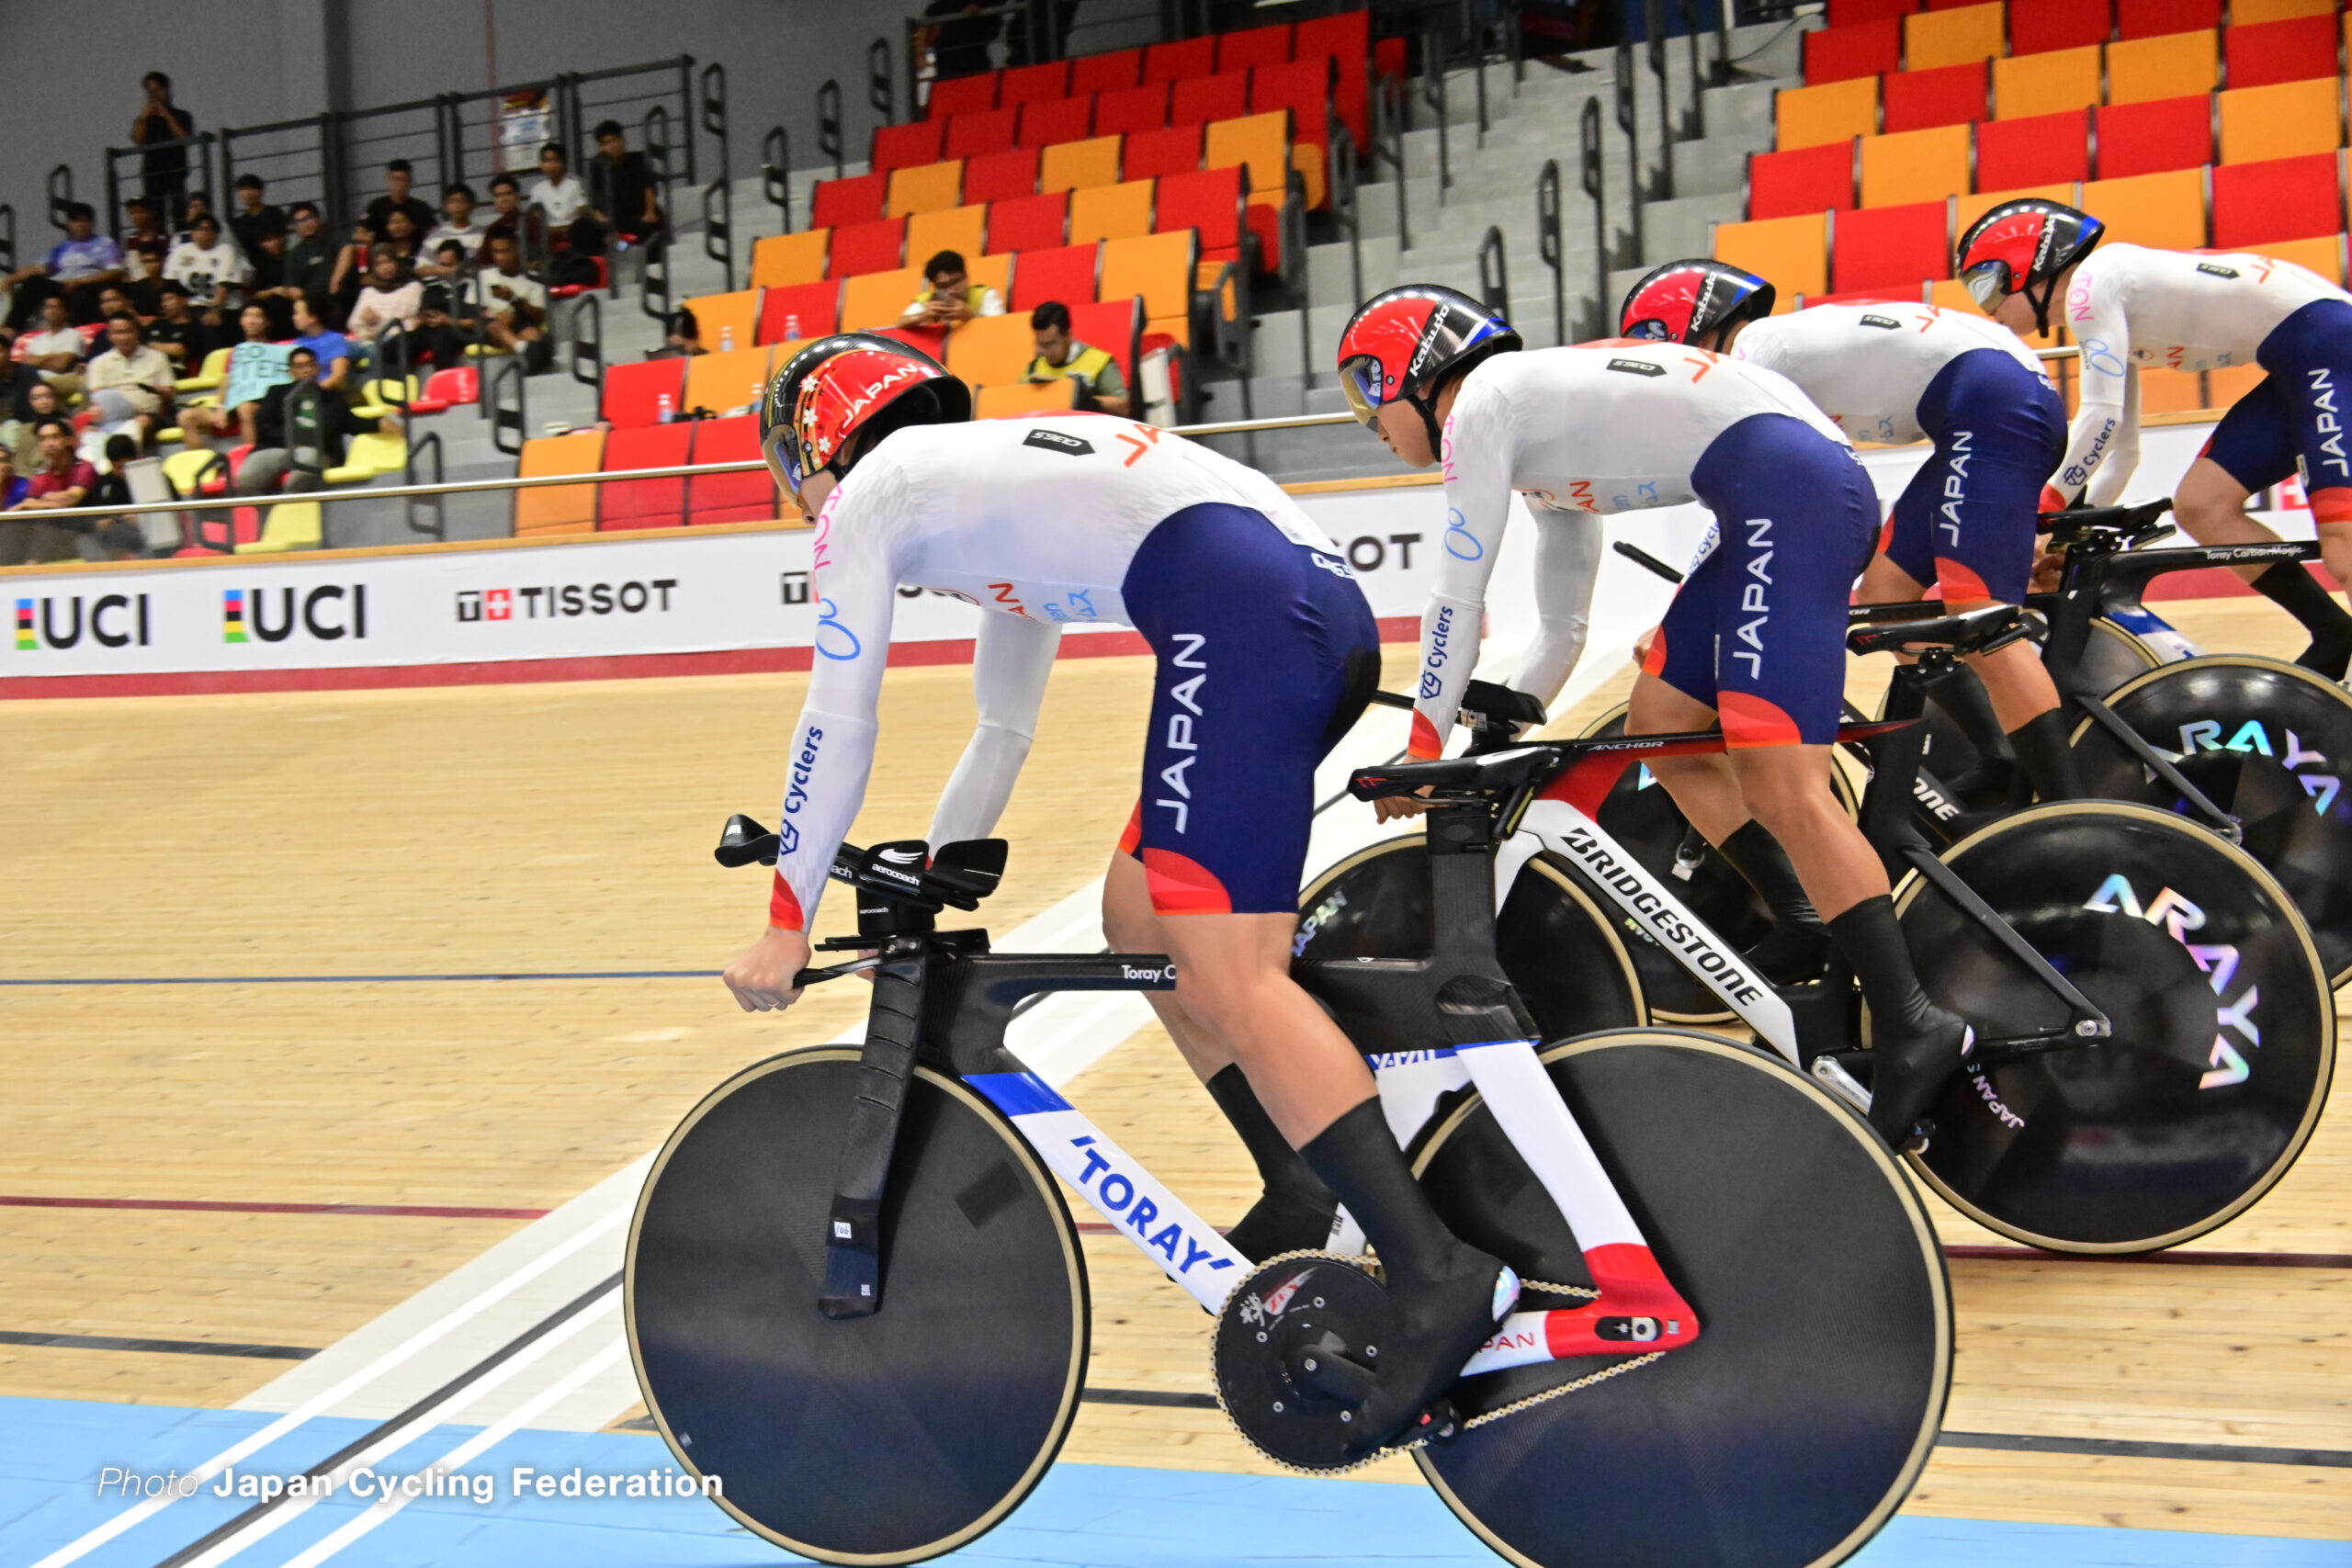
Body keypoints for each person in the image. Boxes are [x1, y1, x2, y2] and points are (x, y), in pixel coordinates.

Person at [720, 332, 1510, 1455]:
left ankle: (1437, 1273)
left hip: (1240, 617)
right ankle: (1297, 1179)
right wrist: (947, 862)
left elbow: (837, 716)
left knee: (1230, 972)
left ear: (811, 445)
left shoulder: (873, 498)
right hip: (1295, 607)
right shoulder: (975, 484)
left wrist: (786, 918)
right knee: (1137, 918)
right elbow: (1003, 722)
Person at [1339, 284, 1971, 1147]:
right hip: (1775, 497)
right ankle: (1803, 921)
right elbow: (1563, 622)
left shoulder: (1484, 402)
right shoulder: (1533, 436)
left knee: (1784, 783)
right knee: (1663, 722)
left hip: (1790, 497)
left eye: (1363, 390)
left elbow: (1459, 589)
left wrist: (1422, 739)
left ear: (1410, 370)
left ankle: (1913, 1020)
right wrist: (1514, 709)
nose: (1367, 420)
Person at [1621, 260, 2082, 809]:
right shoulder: (1771, 352)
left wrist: (1679, 610)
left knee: (1979, 611)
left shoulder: (1749, 359)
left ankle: (2070, 808)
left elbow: (1746, 511)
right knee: (1887, 596)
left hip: (1991, 398)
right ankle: (2001, 760)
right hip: (1992, 396)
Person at [1957, 198, 2352, 680]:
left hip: (2330, 346)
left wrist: (2038, 512)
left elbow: (2098, 418)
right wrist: (2066, 532)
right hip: (2305, 357)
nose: (1987, 308)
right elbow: (2123, 450)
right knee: (2202, 506)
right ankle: (2333, 632)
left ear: (2029, 268)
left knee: (2344, 545)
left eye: (1985, 285)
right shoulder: (2103, 306)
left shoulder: (2092, 285)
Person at [235, 344, 399, 498]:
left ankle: (287, 515)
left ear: (318, 368)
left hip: (318, 452)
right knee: (247, 477)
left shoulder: (334, 399)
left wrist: (380, 422)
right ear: (291, 372)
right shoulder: (277, 393)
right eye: (299, 367)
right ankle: (260, 522)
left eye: (310, 365)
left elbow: (354, 423)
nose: (306, 370)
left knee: (305, 465)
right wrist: (294, 440)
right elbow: (264, 426)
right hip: (276, 448)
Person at [176, 303, 290, 445]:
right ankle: (201, 463)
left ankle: (249, 458)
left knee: (245, 408)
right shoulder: (236, 353)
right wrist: (221, 407)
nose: (251, 320)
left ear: (267, 323)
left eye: (257, 316)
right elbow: (227, 380)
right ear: (241, 321)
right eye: (247, 316)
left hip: (261, 404)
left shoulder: (280, 350)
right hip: (233, 404)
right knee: (186, 417)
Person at [5, 204, 128, 328]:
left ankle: (81, 331)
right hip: (62, 284)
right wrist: (12, 279)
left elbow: (115, 272)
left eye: (85, 221)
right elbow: (41, 268)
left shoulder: (105, 243)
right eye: (76, 221)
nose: (81, 225)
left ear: (92, 223)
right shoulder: (62, 248)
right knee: (33, 283)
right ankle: (10, 331)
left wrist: (78, 282)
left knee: (81, 295)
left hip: (88, 284)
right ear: (69, 224)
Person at [5, 417, 103, 565]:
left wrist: (35, 502)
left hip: (84, 532)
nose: (50, 443)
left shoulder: (84, 468)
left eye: (55, 437)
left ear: (68, 440)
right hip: (51, 536)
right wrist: (47, 501)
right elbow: (32, 503)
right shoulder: (40, 476)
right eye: (44, 439)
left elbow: (71, 500)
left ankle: (32, 564)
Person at [83, 313, 177, 446]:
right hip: (110, 418)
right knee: (85, 431)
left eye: (128, 331)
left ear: (137, 332)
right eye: (117, 333)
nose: (123, 337)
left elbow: (171, 394)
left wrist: (164, 393)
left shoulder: (158, 357)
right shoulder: (98, 362)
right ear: (109, 336)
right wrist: (128, 408)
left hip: (147, 415)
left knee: (139, 423)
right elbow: (98, 398)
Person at [1025, 301, 1130, 415]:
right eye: (1041, 345)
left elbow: (1124, 406)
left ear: (1068, 335)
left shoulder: (1099, 362)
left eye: (1051, 344)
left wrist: (1092, 402)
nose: (1045, 352)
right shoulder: (1033, 368)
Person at [468, 232, 550, 368]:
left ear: (516, 249)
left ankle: (531, 369)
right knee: (494, 325)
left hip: (521, 320)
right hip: (489, 326)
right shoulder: (483, 276)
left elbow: (539, 318)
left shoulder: (534, 279)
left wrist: (513, 299)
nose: (500, 257)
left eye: (505, 251)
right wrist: (495, 316)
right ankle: (525, 350)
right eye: (496, 252)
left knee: (533, 334)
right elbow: (471, 311)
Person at [162, 213, 247, 327]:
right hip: (191, 306)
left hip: (223, 307)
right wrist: (181, 304)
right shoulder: (181, 250)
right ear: (192, 233)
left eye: (207, 229)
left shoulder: (225, 250)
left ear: (216, 234)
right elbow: (170, 281)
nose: (203, 233)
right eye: (199, 229)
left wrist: (215, 311)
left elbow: (224, 284)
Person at [133, 72, 198, 223]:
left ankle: (181, 237)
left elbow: (185, 137)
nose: (153, 95)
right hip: (152, 171)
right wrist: (144, 116)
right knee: (155, 211)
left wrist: (166, 115)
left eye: (157, 90)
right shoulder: (145, 119)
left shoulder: (182, 115)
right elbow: (137, 139)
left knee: (179, 208)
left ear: (166, 90)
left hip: (175, 169)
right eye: (150, 91)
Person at [586, 120, 662, 247]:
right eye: (604, 143)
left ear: (622, 141)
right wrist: (601, 220)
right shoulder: (597, 167)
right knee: (584, 228)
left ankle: (641, 256)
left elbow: (649, 188)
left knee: (651, 228)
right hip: (614, 219)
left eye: (613, 141)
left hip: (638, 216)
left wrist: (650, 212)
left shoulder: (638, 160)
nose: (609, 147)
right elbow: (595, 201)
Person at [897, 250, 1004, 332]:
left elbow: (1001, 328)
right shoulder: (927, 300)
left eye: (955, 282)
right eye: (943, 286)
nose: (951, 290)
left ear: (966, 276)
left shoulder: (985, 294)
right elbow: (900, 323)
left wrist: (970, 316)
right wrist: (922, 316)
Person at [346, 246, 424, 353]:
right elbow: (353, 322)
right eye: (378, 265)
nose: (385, 268)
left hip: (396, 340)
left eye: (388, 262)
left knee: (376, 351)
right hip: (368, 339)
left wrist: (376, 325)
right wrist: (366, 322)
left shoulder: (413, 287)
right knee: (340, 349)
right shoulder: (368, 291)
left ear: (396, 262)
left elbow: (407, 322)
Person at [17, 296, 89, 400]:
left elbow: (60, 366)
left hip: (56, 380)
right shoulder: (37, 339)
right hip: (32, 378)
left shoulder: (73, 335)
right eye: (48, 307)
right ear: (43, 312)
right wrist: (53, 356)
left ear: (65, 312)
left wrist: (36, 360)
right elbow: (25, 362)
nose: (52, 311)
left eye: (56, 307)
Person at [362, 160, 437, 243]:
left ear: (410, 181)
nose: (400, 184)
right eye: (395, 180)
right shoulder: (377, 206)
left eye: (404, 180)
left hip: (416, 252)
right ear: (387, 180)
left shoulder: (421, 207)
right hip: (383, 251)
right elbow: (361, 231)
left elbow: (434, 231)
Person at [146, 280, 210, 369]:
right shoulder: (157, 324)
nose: (165, 304)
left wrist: (150, 346)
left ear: (183, 301)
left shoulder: (194, 327)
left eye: (169, 299)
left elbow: (178, 350)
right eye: (163, 300)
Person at [424, 184, 487, 264]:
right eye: (452, 201)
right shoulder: (434, 237)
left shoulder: (484, 234)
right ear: (444, 207)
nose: (457, 205)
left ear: (472, 205)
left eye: (462, 200)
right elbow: (421, 268)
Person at [229, 175, 285, 259]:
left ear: (260, 191)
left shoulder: (273, 213)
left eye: (249, 189)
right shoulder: (238, 223)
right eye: (242, 190)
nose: (246, 194)